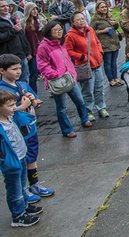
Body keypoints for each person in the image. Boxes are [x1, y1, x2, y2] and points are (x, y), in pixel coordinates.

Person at [0, 54, 56, 203]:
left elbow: (36, 101)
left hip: (30, 127)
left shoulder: (22, 84)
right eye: (14, 69)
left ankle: (34, 184)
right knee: (21, 161)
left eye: (19, 68)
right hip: (16, 132)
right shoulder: (2, 90)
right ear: (2, 70)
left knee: (32, 156)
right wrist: (21, 107)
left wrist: (34, 101)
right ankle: (23, 191)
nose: (18, 71)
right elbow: (5, 113)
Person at [37, 21, 92, 137]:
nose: (59, 32)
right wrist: (54, 74)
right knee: (62, 107)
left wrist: (72, 73)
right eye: (55, 30)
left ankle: (85, 119)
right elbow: (42, 64)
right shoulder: (43, 46)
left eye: (60, 29)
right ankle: (67, 130)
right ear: (49, 32)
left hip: (70, 77)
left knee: (80, 101)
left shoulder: (62, 43)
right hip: (57, 81)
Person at [0, 90, 43, 228]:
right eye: (10, 105)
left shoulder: (10, 117)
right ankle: (18, 215)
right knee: (15, 190)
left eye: (14, 104)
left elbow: (26, 118)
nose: (14, 107)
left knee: (22, 186)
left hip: (22, 156)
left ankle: (24, 206)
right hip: (12, 163)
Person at [65, 12, 109, 119]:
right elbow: (68, 51)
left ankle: (101, 107)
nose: (82, 20)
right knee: (87, 90)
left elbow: (97, 42)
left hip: (97, 64)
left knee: (99, 88)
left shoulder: (90, 30)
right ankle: (88, 111)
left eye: (83, 18)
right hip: (84, 67)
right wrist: (80, 57)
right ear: (73, 22)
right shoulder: (70, 35)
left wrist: (100, 52)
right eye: (78, 19)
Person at [91, 1, 123, 87]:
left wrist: (115, 24)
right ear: (97, 9)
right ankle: (111, 80)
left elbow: (116, 27)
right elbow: (91, 32)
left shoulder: (110, 16)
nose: (104, 8)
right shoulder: (95, 19)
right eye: (102, 7)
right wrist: (102, 31)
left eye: (105, 7)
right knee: (108, 63)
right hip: (105, 44)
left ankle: (116, 78)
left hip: (114, 42)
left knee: (114, 62)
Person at [0, 0, 31, 84]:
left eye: (7, 6)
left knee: (24, 79)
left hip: (20, 54)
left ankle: (25, 95)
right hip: (8, 57)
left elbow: (22, 36)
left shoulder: (12, 18)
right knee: (10, 81)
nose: (6, 8)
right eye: (2, 6)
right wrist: (13, 30)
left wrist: (27, 51)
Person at [20, 2, 46, 94]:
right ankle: (34, 95)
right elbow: (22, 38)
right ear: (28, 11)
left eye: (36, 9)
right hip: (32, 51)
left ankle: (54, 89)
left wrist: (45, 25)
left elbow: (44, 34)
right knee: (34, 74)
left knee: (47, 71)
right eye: (33, 9)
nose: (35, 11)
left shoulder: (40, 19)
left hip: (42, 50)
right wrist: (27, 52)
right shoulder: (23, 22)